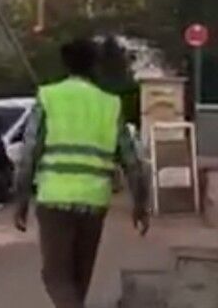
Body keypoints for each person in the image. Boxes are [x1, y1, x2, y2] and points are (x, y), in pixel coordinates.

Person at [13, 37, 150, 308]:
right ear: (95, 65)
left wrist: (21, 200)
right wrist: (140, 206)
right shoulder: (110, 104)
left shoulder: (50, 97)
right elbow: (132, 161)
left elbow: (29, 153)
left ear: (65, 64)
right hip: (94, 202)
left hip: (54, 200)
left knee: (56, 277)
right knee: (79, 280)